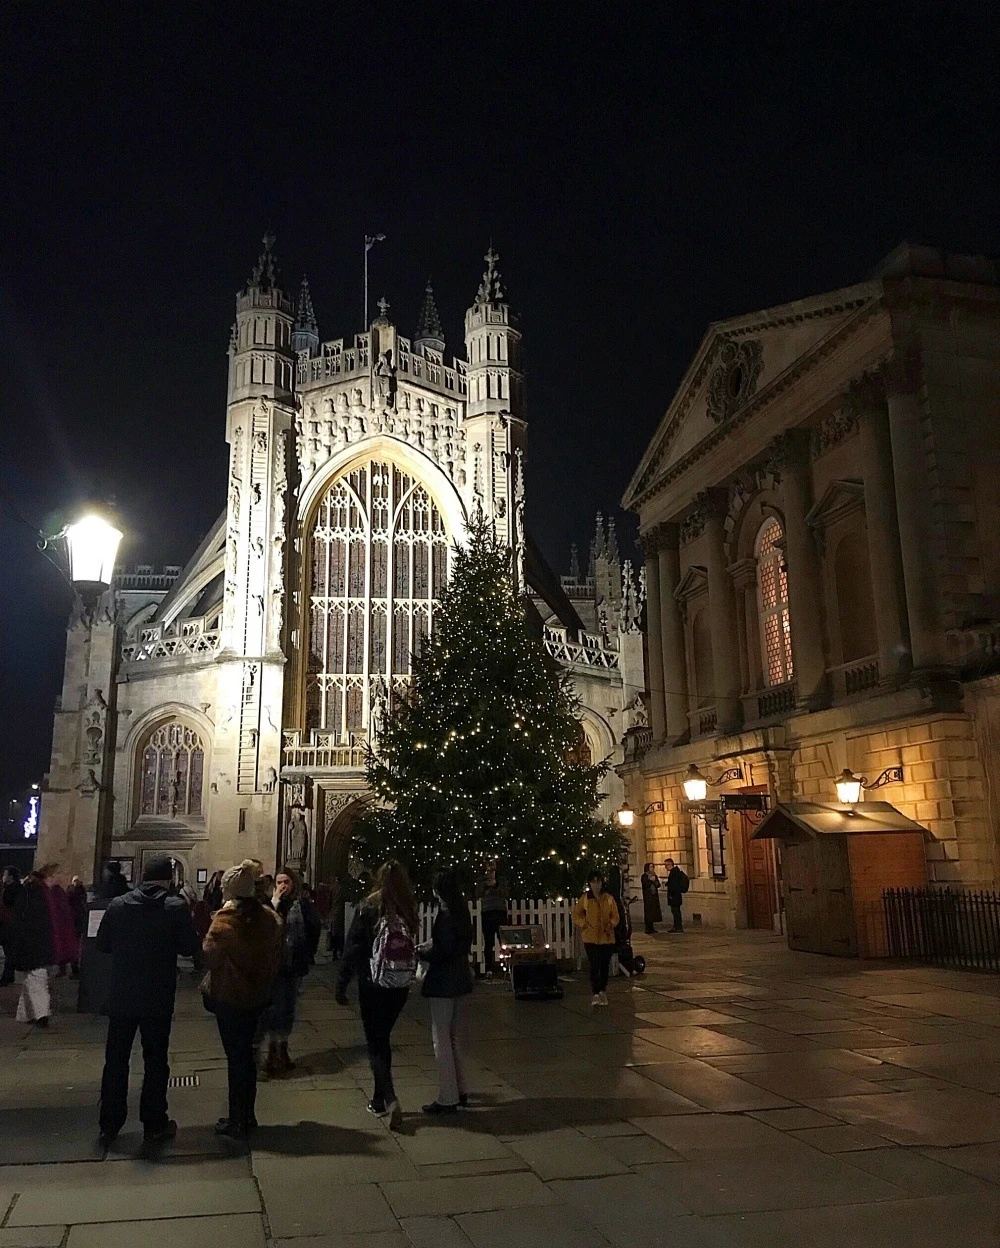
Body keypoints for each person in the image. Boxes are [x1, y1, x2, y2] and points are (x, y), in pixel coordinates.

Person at [94, 856, 200, 1146]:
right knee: (155, 1060)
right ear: (168, 879)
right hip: (157, 994)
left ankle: (109, 1124)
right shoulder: (175, 906)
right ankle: (154, 1123)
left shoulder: (118, 905)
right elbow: (189, 947)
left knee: (116, 1060)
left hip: (122, 994)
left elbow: (102, 944)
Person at [201, 862, 283, 1140]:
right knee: (247, 1055)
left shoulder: (225, 921)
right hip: (258, 995)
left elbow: (209, 955)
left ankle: (237, 1119)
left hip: (231, 996)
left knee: (236, 1058)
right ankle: (248, 1114)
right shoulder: (268, 918)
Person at [335, 859, 418, 1127]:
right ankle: (378, 1098)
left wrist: (342, 983)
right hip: (399, 983)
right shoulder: (407, 907)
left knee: (376, 1042)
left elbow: (353, 946)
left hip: (372, 982)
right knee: (382, 1038)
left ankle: (390, 1098)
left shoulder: (369, 906)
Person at [420, 867, 474, 1113]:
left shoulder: (446, 913)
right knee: (453, 1037)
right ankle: (460, 1089)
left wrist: (423, 953)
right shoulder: (461, 910)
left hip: (443, 980)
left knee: (440, 1037)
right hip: (460, 976)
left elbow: (443, 949)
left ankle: (447, 1096)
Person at [258, 868, 321, 1076]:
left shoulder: (302, 904)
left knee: (288, 1007)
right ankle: (272, 1050)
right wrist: (275, 902)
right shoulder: (269, 904)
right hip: (273, 965)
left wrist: (307, 953)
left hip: (293, 965)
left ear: (293, 883)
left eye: (286, 881)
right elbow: (265, 925)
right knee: (272, 1008)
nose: (283, 885)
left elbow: (314, 928)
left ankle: (282, 1048)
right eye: (279, 882)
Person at [13, 866, 56, 1026]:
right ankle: (41, 1014)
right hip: (35, 943)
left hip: (32, 943)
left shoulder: (34, 892)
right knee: (38, 978)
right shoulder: (38, 894)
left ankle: (25, 1014)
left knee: (31, 979)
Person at [573, 871, 619, 1006]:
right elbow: (576, 914)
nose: (596, 885)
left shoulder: (609, 898)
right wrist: (584, 924)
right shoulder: (585, 899)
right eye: (593, 882)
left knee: (604, 965)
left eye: (598, 882)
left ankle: (602, 990)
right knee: (594, 964)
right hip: (590, 938)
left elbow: (615, 916)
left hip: (606, 937)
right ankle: (595, 992)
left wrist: (611, 924)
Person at [47, 871, 80, 977]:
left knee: (65, 947)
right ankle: (69, 970)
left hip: (62, 924)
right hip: (65, 923)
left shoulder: (56, 891)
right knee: (66, 947)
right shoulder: (59, 891)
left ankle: (67, 970)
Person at [479, 866, 508, 977]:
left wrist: (495, 885)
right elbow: (479, 894)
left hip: (500, 912)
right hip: (487, 913)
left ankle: (507, 966)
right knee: (488, 942)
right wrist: (486, 886)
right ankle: (489, 969)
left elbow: (505, 893)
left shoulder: (501, 880)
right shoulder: (482, 881)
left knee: (503, 941)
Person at [0, 866, 23, 987]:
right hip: (8, 924)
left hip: (10, 924)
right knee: (9, 951)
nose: (3, 877)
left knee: (9, 952)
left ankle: (7, 977)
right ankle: (9, 975)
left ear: (10, 877)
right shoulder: (11, 888)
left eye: (5, 874)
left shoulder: (13, 889)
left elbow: (9, 904)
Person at [663, 858, 690, 932]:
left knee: (675, 912)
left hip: (674, 896)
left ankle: (677, 927)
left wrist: (671, 894)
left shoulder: (673, 873)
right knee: (676, 911)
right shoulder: (677, 872)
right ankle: (677, 927)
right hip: (677, 895)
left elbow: (673, 885)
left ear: (670, 864)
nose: (665, 867)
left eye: (666, 865)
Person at [641, 863, 662, 935]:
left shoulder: (654, 875)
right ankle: (648, 928)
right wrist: (650, 880)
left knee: (653, 912)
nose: (652, 868)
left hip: (654, 896)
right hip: (648, 897)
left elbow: (658, 885)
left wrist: (655, 881)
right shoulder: (644, 876)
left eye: (653, 867)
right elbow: (645, 884)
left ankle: (652, 927)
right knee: (648, 912)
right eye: (651, 867)